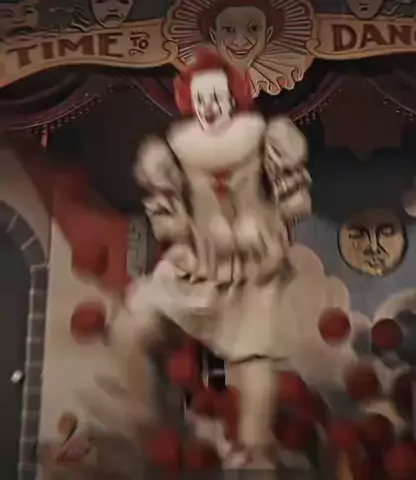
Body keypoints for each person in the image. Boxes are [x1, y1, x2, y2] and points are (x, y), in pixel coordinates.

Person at [111, 47, 311, 468]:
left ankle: (255, 456)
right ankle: (145, 424)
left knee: (253, 358)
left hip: (252, 265)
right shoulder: (176, 148)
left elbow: (292, 200)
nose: (209, 107)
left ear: (232, 98)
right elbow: (167, 210)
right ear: (190, 102)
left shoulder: (262, 136)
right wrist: (179, 234)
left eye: (216, 97)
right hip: (198, 263)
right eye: (201, 99)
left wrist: (272, 223)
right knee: (134, 325)